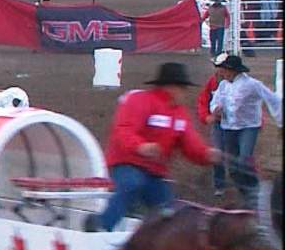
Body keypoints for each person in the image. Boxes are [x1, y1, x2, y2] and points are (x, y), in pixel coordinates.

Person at [89, 62, 221, 232]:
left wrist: (206, 154)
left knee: (167, 206)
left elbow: (191, 144)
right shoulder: (140, 101)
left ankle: (160, 239)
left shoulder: (180, 114)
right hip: (126, 162)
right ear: (170, 87)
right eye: (182, 88)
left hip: (155, 171)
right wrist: (141, 147)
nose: (184, 93)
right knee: (132, 183)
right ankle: (102, 225)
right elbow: (124, 129)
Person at [209, 54, 282, 207]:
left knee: (243, 159)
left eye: (226, 70)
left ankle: (256, 191)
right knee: (234, 166)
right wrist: (215, 109)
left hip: (248, 127)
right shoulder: (223, 85)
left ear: (233, 71)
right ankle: (249, 194)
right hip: (229, 127)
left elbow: (272, 99)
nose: (223, 73)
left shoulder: (252, 84)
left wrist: (280, 119)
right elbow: (215, 100)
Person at [196, 54, 227, 197]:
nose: (218, 70)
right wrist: (206, 117)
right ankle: (220, 185)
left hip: (236, 124)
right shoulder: (213, 81)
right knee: (218, 152)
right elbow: (203, 100)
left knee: (240, 153)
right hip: (219, 123)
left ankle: (244, 182)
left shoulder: (239, 82)